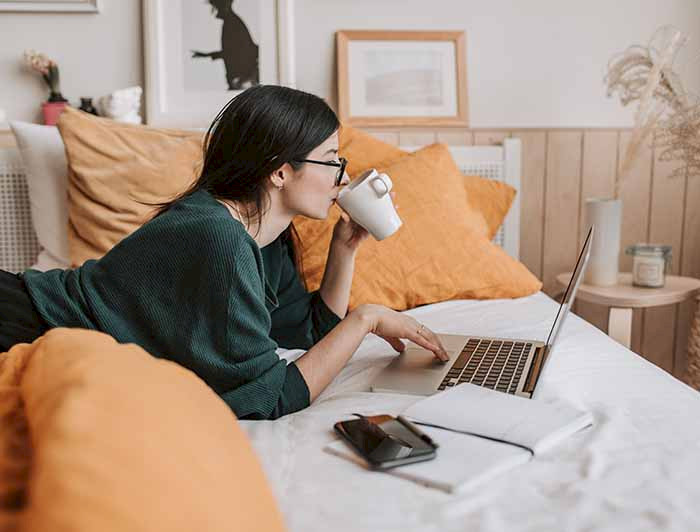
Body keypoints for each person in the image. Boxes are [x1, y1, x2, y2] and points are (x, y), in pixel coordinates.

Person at [0, 85, 448, 419]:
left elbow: (305, 337)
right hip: (23, 322)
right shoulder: (219, 239)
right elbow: (270, 397)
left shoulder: (265, 238)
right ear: (279, 172)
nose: (341, 176)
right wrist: (365, 318)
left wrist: (345, 250)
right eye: (331, 159)